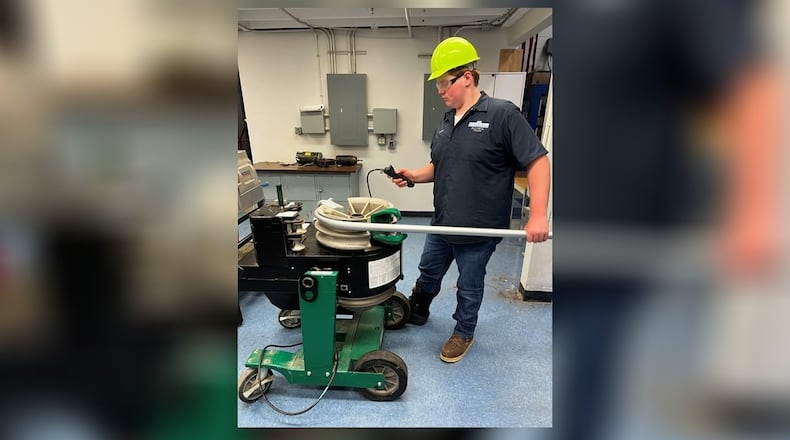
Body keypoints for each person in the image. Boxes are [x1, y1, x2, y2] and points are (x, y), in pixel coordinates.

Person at [389, 36, 551, 363]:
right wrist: (413, 176)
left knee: (469, 284)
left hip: (479, 229)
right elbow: (440, 165)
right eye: (437, 84)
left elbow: (538, 160)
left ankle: (464, 332)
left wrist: (538, 214)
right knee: (428, 271)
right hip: (443, 220)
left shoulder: (502, 115)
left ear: (466, 76)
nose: (439, 90)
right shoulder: (447, 121)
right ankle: (419, 308)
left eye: (445, 83)